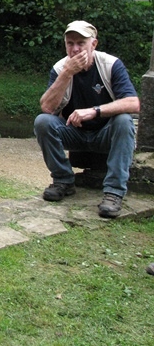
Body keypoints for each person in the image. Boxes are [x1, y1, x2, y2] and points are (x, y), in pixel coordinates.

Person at [34, 20, 140, 219]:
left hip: (105, 132)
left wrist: (95, 111)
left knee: (124, 121)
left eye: (81, 43)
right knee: (42, 122)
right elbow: (47, 108)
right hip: (74, 132)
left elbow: (134, 103)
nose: (75, 49)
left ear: (94, 44)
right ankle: (63, 181)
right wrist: (67, 73)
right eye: (70, 43)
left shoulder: (111, 65)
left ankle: (113, 193)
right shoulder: (60, 69)